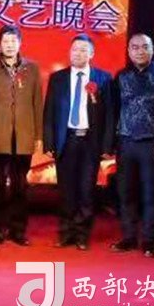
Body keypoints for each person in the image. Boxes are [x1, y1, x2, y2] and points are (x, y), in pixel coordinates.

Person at [43, 34, 114, 251]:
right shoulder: (58, 78)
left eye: (83, 50)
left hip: (90, 142)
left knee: (86, 190)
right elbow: (49, 112)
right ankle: (66, 233)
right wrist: (49, 142)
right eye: (75, 49)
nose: (78, 53)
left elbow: (110, 115)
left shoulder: (103, 78)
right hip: (66, 140)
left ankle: (82, 234)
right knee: (66, 191)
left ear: (91, 54)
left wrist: (107, 146)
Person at [111, 33, 154, 258]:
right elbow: (114, 110)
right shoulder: (121, 76)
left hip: (152, 143)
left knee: (151, 194)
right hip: (126, 142)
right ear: (129, 51)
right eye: (135, 47)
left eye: (144, 47)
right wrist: (112, 142)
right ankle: (129, 237)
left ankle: (149, 241)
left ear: (152, 49)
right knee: (125, 193)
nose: (140, 51)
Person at [0, 25, 43, 246]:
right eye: (5, 41)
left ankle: (18, 230)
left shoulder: (32, 68)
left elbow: (37, 103)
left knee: (21, 186)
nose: (9, 45)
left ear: (20, 43)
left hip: (23, 135)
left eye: (13, 41)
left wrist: (38, 136)